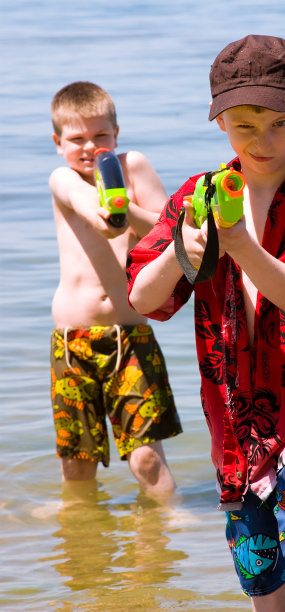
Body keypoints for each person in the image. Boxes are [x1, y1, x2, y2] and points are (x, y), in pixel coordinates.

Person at [127, 35, 285, 611]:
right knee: (259, 565)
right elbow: (143, 297)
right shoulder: (198, 196)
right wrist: (181, 252)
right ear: (220, 123)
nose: (263, 141)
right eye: (244, 125)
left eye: (279, 123)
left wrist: (238, 244)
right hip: (233, 410)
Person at [49, 81, 182, 501]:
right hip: (72, 342)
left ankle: (169, 530)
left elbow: (171, 231)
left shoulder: (133, 165)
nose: (89, 147)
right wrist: (111, 213)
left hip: (130, 336)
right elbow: (94, 211)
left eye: (100, 135)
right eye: (77, 139)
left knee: (146, 458)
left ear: (116, 134)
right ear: (58, 143)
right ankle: (82, 538)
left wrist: (125, 207)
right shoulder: (61, 178)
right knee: (77, 463)